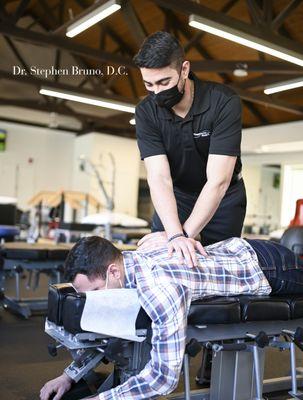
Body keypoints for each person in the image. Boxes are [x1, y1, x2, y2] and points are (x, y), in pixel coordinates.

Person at [40, 235, 303, 400]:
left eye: (96, 291)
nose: (95, 299)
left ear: (112, 271)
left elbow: (163, 379)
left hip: (270, 267)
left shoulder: (158, 289)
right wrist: (69, 376)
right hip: (235, 253)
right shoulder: (121, 268)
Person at [133, 31, 246, 267]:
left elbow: (218, 181)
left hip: (224, 200)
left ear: (184, 70)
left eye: (164, 82)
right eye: (148, 84)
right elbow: (159, 178)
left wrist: (184, 236)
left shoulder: (223, 102)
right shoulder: (146, 112)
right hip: (178, 196)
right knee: (165, 262)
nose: (157, 92)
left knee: (219, 270)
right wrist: (174, 235)